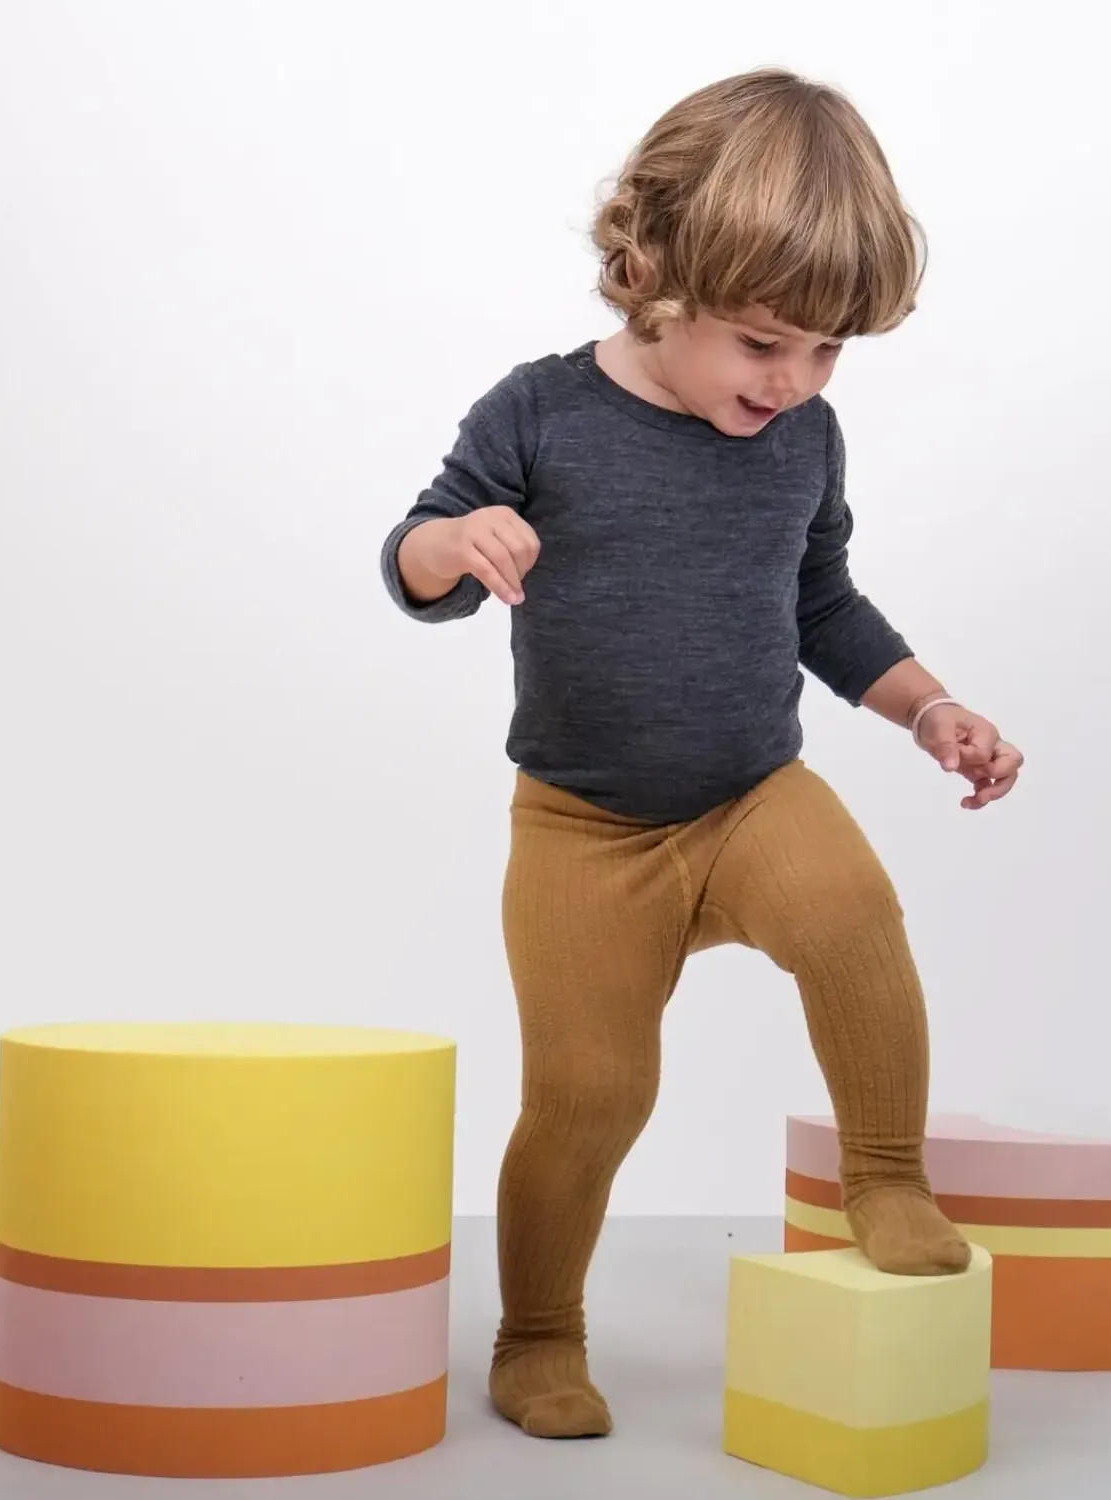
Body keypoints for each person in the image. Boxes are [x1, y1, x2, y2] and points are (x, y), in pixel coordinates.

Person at [378, 67, 1024, 1441]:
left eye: (828, 352)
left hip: (750, 795)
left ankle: (887, 1177)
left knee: (851, 914)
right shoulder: (540, 414)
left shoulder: (804, 438)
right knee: (590, 1094)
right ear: (654, 274)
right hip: (583, 827)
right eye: (763, 342)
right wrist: (455, 545)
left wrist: (928, 707)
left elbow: (822, 604)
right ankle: (538, 1333)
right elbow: (413, 557)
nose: (792, 382)